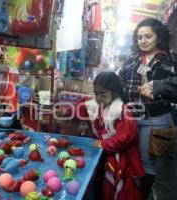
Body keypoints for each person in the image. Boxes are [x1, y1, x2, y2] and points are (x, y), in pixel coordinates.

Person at [119, 18, 177, 200]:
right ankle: (125, 189)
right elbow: (121, 83)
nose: (143, 41)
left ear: (158, 37)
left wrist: (161, 86)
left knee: (148, 163)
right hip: (129, 117)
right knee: (126, 155)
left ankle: (141, 194)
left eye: (148, 36)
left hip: (156, 118)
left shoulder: (171, 60)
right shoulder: (131, 61)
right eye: (139, 37)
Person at [59, 71, 145, 200]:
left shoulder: (123, 111)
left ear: (115, 92)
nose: (98, 98)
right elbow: (82, 108)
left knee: (116, 191)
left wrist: (103, 144)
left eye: (102, 94)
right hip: (105, 153)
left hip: (121, 160)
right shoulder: (98, 105)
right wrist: (66, 111)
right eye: (96, 94)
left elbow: (125, 137)